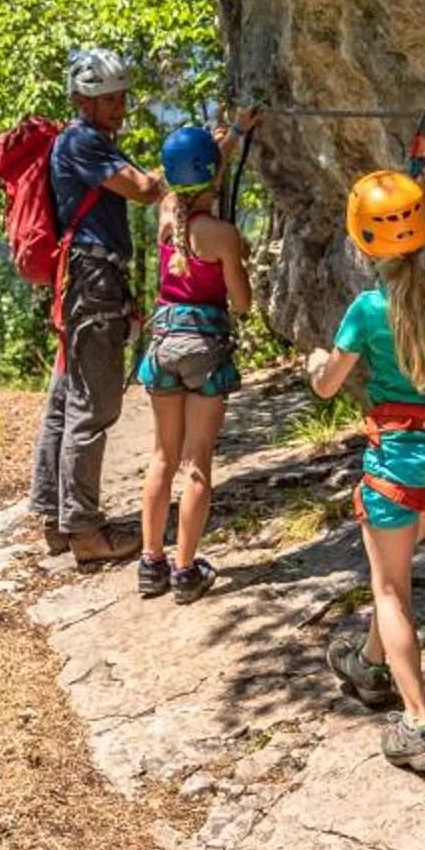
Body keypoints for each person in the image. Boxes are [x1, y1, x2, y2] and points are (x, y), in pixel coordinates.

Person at [303, 170, 425, 774]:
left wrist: (318, 362)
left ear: (361, 242)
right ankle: (368, 666)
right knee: (392, 574)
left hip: (397, 465)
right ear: (423, 228)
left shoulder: (368, 308)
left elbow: (326, 387)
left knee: (391, 590)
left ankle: (419, 724)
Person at [30, 48, 163, 566]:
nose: (118, 106)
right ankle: (85, 530)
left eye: (121, 97)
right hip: (93, 279)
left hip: (80, 278)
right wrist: (202, 151)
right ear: (81, 100)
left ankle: (56, 517)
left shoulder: (81, 140)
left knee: (67, 397)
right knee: (94, 405)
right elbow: (145, 190)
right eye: (106, 99)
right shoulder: (84, 142)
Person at [135, 116, 256, 600]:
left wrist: (232, 137)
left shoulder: (167, 214)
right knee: (198, 462)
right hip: (204, 346)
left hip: (163, 341)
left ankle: (151, 564)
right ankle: (186, 571)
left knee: (163, 456)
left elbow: (196, 177)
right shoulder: (222, 235)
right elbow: (242, 303)